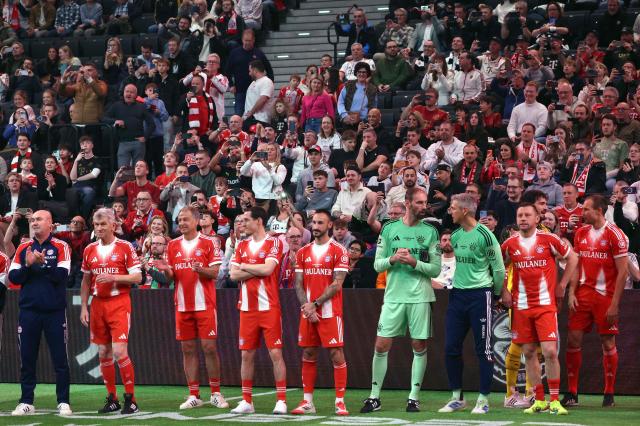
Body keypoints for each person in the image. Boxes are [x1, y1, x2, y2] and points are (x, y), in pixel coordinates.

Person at [360, 187, 440, 413]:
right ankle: (374, 397)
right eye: (419, 203)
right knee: (381, 344)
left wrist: (414, 262)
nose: (424, 206)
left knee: (419, 345)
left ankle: (413, 398)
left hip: (420, 297)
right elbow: (377, 265)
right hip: (393, 296)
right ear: (407, 203)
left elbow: (435, 270)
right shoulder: (389, 229)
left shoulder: (430, 232)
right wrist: (394, 259)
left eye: (425, 203)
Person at [501, 203, 578, 415]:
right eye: (520, 215)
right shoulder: (510, 244)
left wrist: (562, 286)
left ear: (537, 219)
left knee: (550, 352)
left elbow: (573, 258)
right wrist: (503, 290)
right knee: (528, 352)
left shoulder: (549, 240)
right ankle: (539, 400)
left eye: (527, 215)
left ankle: (554, 400)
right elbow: (500, 266)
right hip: (521, 307)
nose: (523, 218)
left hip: (545, 305)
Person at [153, 206, 229, 409]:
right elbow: (171, 277)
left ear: (196, 221)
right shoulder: (173, 245)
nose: (182, 223)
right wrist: (165, 270)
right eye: (179, 219)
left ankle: (216, 393)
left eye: (186, 219)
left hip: (204, 303)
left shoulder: (209, 243)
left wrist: (200, 269)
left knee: (209, 348)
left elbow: (215, 273)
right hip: (182, 305)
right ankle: (193, 394)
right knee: (187, 349)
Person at [439, 193, 505, 414]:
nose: (451, 211)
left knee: (484, 350)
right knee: (450, 348)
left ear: (465, 211)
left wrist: (495, 295)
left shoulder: (486, 236)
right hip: (458, 295)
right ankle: (457, 397)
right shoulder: (456, 236)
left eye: (453, 207)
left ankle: (483, 400)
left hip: (480, 295)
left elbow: (498, 269)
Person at [563, 195, 629, 408]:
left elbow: (622, 273)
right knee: (573, 340)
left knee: (608, 342)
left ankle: (609, 393)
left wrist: (614, 304)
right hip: (582, 295)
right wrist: (572, 292)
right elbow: (576, 264)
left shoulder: (616, 236)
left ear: (599, 211)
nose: (582, 213)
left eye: (586, 210)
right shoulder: (580, 233)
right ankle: (572, 392)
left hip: (605, 297)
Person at [8, 210, 72, 417]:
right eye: (33, 220)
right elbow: (14, 278)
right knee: (27, 359)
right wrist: (28, 265)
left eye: (39, 219)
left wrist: (42, 264)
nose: (34, 223)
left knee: (60, 359)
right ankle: (26, 401)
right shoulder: (23, 247)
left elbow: (62, 276)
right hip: (28, 311)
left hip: (54, 312)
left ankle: (63, 401)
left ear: (50, 224)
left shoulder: (61, 246)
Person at [79, 208, 142, 414]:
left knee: (118, 351)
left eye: (103, 224)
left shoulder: (125, 247)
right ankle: (112, 398)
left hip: (119, 303)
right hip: (97, 304)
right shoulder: (89, 249)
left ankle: (131, 399)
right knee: (103, 352)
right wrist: (83, 307)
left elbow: (137, 277)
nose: (99, 228)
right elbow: (86, 280)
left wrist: (115, 278)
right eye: (96, 225)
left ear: (113, 225)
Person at [290, 210, 349, 416]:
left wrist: (315, 304)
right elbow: (298, 284)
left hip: (330, 312)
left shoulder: (339, 250)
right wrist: (307, 308)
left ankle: (340, 401)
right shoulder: (303, 252)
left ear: (329, 225)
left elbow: (337, 283)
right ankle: (307, 402)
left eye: (320, 222)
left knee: (336, 354)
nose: (315, 226)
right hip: (308, 312)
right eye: (313, 222)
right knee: (308, 353)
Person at [229, 207, 286, 414]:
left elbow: (268, 269)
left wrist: (244, 266)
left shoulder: (274, 242)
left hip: (268, 306)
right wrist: (252, 268)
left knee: (276, 353)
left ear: (258, 221)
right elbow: (233, 276)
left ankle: (281, 400)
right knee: (246, 355)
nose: (242, 224)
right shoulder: (241, 245)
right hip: (246, 308)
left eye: (246, 220)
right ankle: (247, 401)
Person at [103, 84, 156, 167]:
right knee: (123, 170)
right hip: (123, 142)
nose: (128, 94)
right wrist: (115, 121)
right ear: (123, 93)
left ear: (136, 95)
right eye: (127, 91)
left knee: (138, 170)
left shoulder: (141, 107)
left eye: (131, 92)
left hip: (138, 143)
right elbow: (103, 118)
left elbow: (152, 124)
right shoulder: (117, 105)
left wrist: (145, 137)